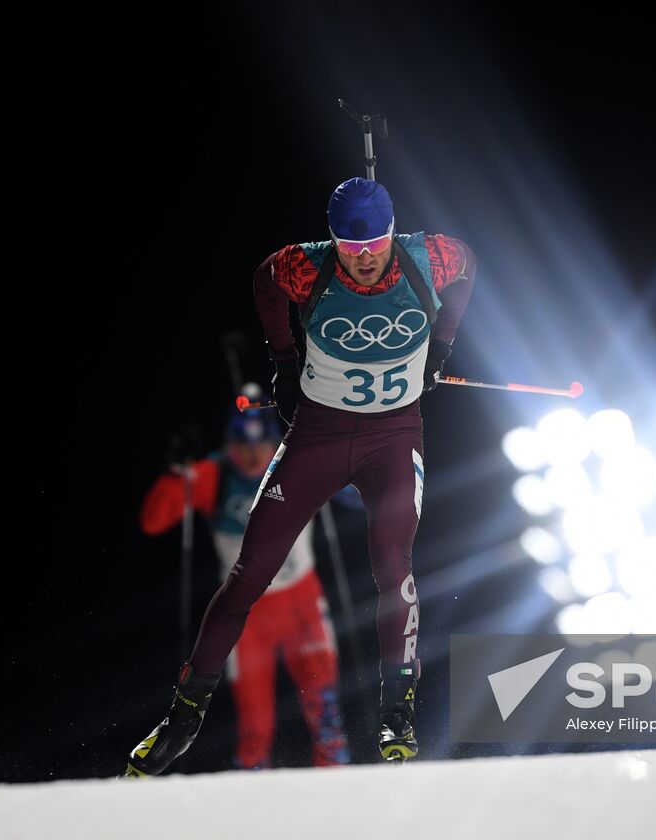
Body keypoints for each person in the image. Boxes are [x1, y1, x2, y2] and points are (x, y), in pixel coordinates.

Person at [125, 176, 475, 776]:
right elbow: (264, 279)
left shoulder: (430, 256)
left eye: (373, 247)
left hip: (392, 441)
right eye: (348, 247)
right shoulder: (309, 269)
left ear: (392, 235)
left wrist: (442, 344)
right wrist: (283, 359)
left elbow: (468, 264)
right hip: (317, 437)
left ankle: (398, 710)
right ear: (333, 240)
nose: (362, 261)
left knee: (393, 564)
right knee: (248, 573)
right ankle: (183, 714)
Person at [138, 403, 350, 769]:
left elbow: (359, 490)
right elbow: (153, 522)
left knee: (326, 714)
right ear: (228, 445)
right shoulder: (213, 475)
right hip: (247, 618)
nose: (252, 456)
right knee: (256, 726)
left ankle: (340, 796)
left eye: (261, 444)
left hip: (302, 605)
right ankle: (252, 804)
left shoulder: (296, 462)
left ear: (276, 442)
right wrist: (175, 472)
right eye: (242, 445)